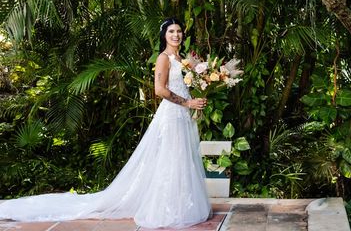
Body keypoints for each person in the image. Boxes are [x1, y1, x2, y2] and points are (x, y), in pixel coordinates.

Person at [0, 17, 211, 228]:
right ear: (164, 35)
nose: (176, 35)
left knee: (183, 156)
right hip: (173, 113)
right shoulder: (164, 58)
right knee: (171, 158)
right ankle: (168, 207)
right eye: (171, 31)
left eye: (179, 31)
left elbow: (197, 76)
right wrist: (187, 102)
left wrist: (204, 80)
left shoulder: (182, 58)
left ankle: (185, 202)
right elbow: (160, 90)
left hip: (184, 113)